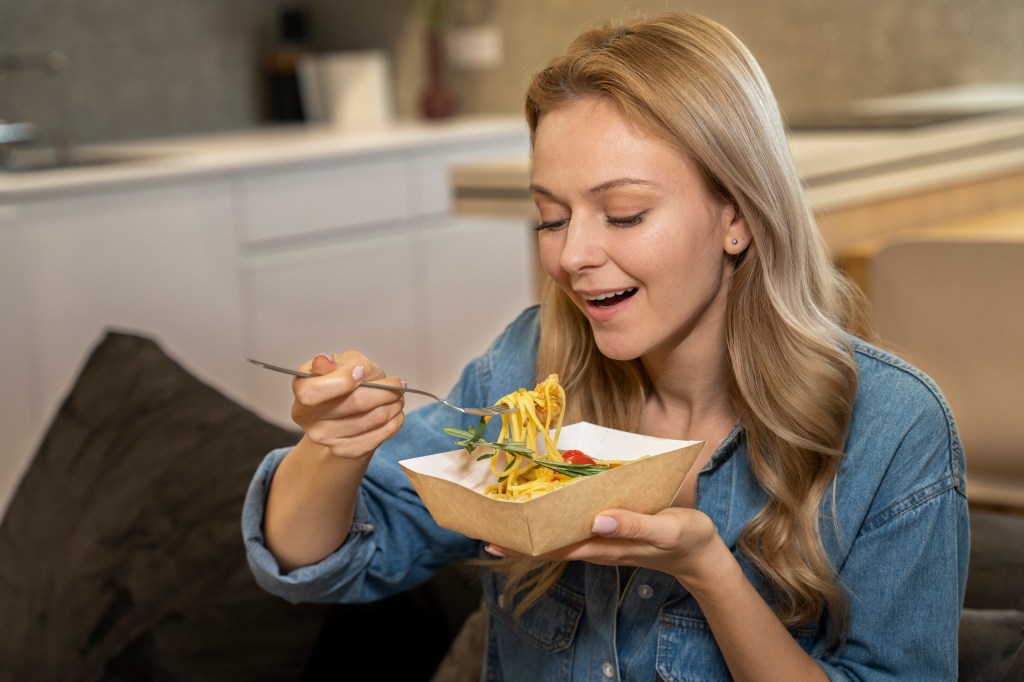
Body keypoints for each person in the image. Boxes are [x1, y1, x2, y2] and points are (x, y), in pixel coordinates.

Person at [242, 12, 969, 681]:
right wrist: (332, 448)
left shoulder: (892, 427)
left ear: (737, 217)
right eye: (551, 217)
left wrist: (706, 569)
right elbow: (320, 560)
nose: (573, 255)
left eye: (623, 214)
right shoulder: (526, 366)